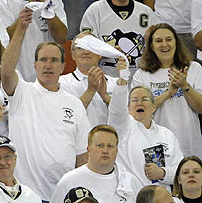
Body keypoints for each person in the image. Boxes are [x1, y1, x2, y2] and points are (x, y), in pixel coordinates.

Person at [1, 7, 90, 203]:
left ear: (62, 66)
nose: (48, 65)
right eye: (43, 60)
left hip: (62, 199)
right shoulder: (22, 92)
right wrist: (21, 29)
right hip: (24, 196)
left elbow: (82, 157)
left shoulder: (74, 104)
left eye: (54, 61)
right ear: (35, 65)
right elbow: (6, 70)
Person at [108, 60, 184, 187]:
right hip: (130, 197)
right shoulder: (121, 128)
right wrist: (123, 79)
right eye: (134, 100)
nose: (139, 103)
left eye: (144, 99)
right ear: (128, 108)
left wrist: (163, 173)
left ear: (154, 106)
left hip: (161, 199)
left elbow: (182, 171)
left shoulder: (167, 134)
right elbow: (116, 110)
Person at [132, 23, 202, 158]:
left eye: (169, 39)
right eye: (158, 41)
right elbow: (138, 112)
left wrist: (184, 86)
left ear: (176, 42)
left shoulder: (194, 68)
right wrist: (168, 93)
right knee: (157, 177)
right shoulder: (141, 74)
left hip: (189, 142)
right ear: (152, 46)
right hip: (154, 143)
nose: (164, 44)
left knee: (190, 178)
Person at [0, 0, 68, 82]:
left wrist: (48, 12)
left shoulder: (54, 1)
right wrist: (22, 19)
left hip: (47, 78)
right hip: (15, 78)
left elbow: (62, 38)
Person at [80, 0, 159, 78]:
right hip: (104, 82)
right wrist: (108, 52)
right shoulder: (95, 10)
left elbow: (158, 47)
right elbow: (85, 47)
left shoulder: (146, 12)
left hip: (139, 83)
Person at [59, 32, 118, 128]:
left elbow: (124, 119)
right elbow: (67, 117)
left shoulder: (116, 83)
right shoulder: (62, 83)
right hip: (77, 141)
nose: (86, 52)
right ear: (72, 55)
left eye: (90, 47)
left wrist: (105, 96)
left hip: (109, 141)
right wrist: (90, 90)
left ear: (100, 53)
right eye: (80, 48)